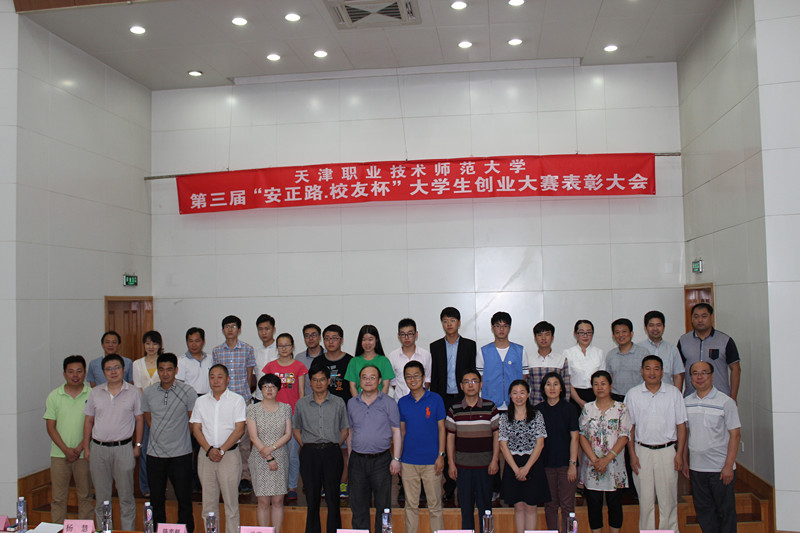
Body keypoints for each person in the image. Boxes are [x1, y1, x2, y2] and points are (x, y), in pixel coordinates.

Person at [624, 355, 687, 532]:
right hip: (642, 451)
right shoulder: (633, 394)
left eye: (656, 368)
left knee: (668, 500)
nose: (652, 372)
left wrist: (679, 454)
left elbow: (681, 426)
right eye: (648, 368)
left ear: (662, 372)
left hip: (667, 451)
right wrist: (632, 455)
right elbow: (629, 428)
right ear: (642, 371)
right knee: (645, 501)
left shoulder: (674, 393)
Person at [82, 354, 144, 530]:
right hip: (99, 449)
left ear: (123, 369)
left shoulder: (133, 392)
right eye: (108, 369)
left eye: (117, 368)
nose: (113, 372)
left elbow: (139, 419)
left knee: (126, 497)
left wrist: (137, 445)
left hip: (123, 448)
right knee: (102, 499)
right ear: (103, 372)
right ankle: (104, 530)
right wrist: (86, 447)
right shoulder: (95, 392)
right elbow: (88, 421)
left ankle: (127, 531)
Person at [682, 361, 741, 533]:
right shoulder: (686, 402)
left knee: (725, 514)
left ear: (712, 376)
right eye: (695, 373)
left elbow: (735, 435)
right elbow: (685, 434)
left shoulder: (726, 402)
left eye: (704, 373)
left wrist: (728, 466)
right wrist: (685, 461)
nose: (699, 377)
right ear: (690, 377)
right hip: (697, 468)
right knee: (705, 514)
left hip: (720, 469)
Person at [142, 353, 197, 533]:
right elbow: (149, 420)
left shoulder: (188, 392)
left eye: (169, 369)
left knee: (184, 499)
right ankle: (158, 530)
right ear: (158, 371)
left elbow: (192, 422)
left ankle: (186, 530)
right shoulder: (148, 392)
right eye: (161, 369)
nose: (165, 373)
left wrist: (178, 437)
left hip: (181, 454)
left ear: (176, 370)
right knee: (156, 499)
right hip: (155, 454)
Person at [190, 364, 247, 533]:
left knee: (231, 504)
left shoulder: (237, 400)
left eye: (220, 377)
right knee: (208, 504)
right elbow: (196, 429)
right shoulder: (200, 401)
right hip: (206, 455)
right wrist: (209, 450)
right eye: (212, 377)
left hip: (229, 455)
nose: (215, 381)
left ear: (228, 379)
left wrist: (221, 450)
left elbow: (239, 429)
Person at [294, 366, 350, 533]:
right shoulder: (302, 403)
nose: (318, 383)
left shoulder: (338, 402)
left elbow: (344, 430)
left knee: (333, 498)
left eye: (322, 380)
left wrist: (334, 445)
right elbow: (296, 429)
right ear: (310, 382)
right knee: (312, 498)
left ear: (328, 381)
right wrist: (306, 445)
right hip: (309, 453)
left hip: (332, 452)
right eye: (315, 380)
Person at [429, 306, 476, 501]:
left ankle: (464, 483)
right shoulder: (435, 346)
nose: (449, 324)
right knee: (445, 438)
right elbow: (435, 376)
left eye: (452, 320)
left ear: (459, 323)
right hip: (442, 398)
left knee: (463, 441)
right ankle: (449, 485)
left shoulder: (469, 345)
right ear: (442, 323)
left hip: (462, 398)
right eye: (445, 321)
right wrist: (434, 401)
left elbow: (472, 374)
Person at [347, 365, 402, 532]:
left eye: (372, 377)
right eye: (364, 377)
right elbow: (350, 432)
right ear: (359, 381)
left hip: (381, 460)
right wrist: (350, 457)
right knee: (358, 505)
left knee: (383, 506)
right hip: (357, 460)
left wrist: (396, 459)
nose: (368, 381)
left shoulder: (389, 402)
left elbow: (396, 432)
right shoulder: (352, 403)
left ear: (379, 381)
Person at [445, 369, 499, 533]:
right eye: (467, 382)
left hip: (485, 467)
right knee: (465, 508)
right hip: (463, 468)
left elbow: (497, 436)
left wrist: (495, 460)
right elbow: (450, 438)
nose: (471, 385)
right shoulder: (454, 409)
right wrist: (451, 464)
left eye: (474, 381)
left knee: (486, 509)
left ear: (480, 384)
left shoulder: (490, 407)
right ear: (461, 386)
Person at [579, 370, 631, 533]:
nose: (599, 387)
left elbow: (624, 436)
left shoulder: (621, 408)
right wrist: (595, 461)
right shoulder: (588, 408)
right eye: (595, 384)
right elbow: (582, 435)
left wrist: (606, 459)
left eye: (603, 383)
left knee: (615, 505)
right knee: (593, 505)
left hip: (614, 466)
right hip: (592, 465)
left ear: (610, 386)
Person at [44, 355, 93, 524]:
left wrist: (80, 448)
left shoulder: (92, 394)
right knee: (58, 498)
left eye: (79, 371)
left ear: (85, 373)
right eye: (71, 372)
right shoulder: (54, 396)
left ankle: (84, 529)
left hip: (85, 454)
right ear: (64, 374)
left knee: (85, 496)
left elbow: (94, 425)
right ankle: (57, 529)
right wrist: (66, 450)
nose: (75, 375)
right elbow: (50, 427)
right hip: (59, 455)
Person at [398, 361, 446, 533]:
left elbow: (442, 429)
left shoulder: (436, 399)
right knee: (411, 505)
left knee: (435, 505)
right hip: (409, 461)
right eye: (408, 377)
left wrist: (441, 455)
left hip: (432, 461)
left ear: (424, 377)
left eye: (416, 376)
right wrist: (399, 459)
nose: (412, 380)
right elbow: (402, 432)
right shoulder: (402, 402)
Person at [212, 315, 256, 494]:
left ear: (239, 329)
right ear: (223, 330)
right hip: (223, 401)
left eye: (233, 326)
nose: (230, 330)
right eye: (227, 327)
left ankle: (245, 477)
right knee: (224, 438)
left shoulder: (247, 349)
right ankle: (225, 476)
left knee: (244, 442)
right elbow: (216, 375)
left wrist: (244, 397)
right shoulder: (217, 351)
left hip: (242, 400)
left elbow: (249, 375)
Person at [498, 380, 549, 533]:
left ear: (528, 394)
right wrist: (516, 470)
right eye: (515, 393)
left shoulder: (537, 415)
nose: (518, 396)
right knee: (518, 506)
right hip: (512, 463)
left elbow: (540, 444)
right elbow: (503, 445)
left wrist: (526, 468)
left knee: (531, 506)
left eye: (522, 393)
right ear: (510, 395)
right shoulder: (505, 417)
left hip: (532, 463)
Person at [308, 324, 352, 497]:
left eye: (334, 338)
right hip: (322, 412)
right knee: (325, 451)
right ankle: (327, 485)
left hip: (344, 411)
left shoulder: (350, 361)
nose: (330, 342)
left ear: (341, 340)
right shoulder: (318, 361)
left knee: (344, 450)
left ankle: (343, 484)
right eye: (327, 338)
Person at [263, 333, 307, 500]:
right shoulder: (270, 366)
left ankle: (292, 486)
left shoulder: (299, 366)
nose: (284, 349)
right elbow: (266, 392)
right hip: (273, 415)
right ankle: (277, 484)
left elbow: (301, 392)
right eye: (280, 346)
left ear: (292, 346)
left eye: (287, 345)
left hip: (293, 414)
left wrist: (300, 416)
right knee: (275, 452)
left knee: (292, 453)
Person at [247, 374, 293, 532]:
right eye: (265, 386)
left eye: (273, 386)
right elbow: (253, 437)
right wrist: (268, 456)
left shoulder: (286, 408)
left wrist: (271, 448)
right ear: (260, 389)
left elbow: (288, 434)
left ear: (278, 389)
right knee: (263, 502)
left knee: (278, 501)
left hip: (280, 456)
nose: (269, 390)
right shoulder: (252, 409)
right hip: (260, 458)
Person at [534, 371, 579, 533]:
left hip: (567, 465)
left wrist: (573, 464)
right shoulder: (537, 410)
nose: (552, 388)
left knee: (568, 505)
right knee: (550, 504)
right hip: (546, 465)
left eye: (555, 384)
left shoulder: (570, 408)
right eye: (548, 384)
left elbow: (575, 437)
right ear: (543, 388)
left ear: (561, 388)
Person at [678, 303, 741, 401]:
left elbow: (735, 369)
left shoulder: (725, 340)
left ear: (711, 317)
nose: (700, 320)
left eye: (704, 316)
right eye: (696, 316)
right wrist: (677, 397)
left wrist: (733, 397)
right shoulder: (683, 341)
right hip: (691, 398)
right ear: (692, 319)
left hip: (720, 398)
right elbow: (679, 371)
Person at [176, 326, 212, 492]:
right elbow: (179, 387)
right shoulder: (181, 361)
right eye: (190, 341)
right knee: (187, 444)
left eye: (197, 341)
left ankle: (200, 480)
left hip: (207, 402)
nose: (194, 344)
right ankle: (188, 481)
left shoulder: (211, 359)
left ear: (203, 341)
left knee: (202, 443)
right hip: (188, 404)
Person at [476, 311, 528, 412]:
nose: (501, 329)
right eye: (498, 326)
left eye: (505, 326)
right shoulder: (483, 352)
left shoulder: (520, 351)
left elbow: (524, 378)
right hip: (490, 404)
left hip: (515, 405)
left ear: (509, 328)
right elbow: (480, 380)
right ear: (492, 327)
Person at [133, 330, 164, 497]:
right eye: (147, 343)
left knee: (162, 450)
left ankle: (161, 485)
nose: (151, 347)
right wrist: (147, 407)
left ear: (159, 345)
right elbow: (138, 388)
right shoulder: (137, 364)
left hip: (162, 412)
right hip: (144, 412)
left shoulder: (164, 362)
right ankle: (146, 487)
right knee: (145, 449)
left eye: (154, 343)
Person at [637, 311, 685, 390]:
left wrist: (677, 394)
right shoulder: (638, 348)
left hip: (667, 394)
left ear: (663, 327)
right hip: (643, 394)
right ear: (645, 328)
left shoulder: (672, 349)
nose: (655, 328)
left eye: (658, 325)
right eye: (651, 325)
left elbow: (677, 375)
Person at [604, 318, 650, 401]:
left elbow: (648, 376)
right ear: (613, 336)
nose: (621, 335)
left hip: (638, 397)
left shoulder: (643, 353)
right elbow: (608, 378)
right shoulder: (610, 355)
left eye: (624, 331)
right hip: (616, 398)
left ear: (631, 334)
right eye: (617, 332)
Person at [564, 320, 606, 410]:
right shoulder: (568, 353)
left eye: (589, 332)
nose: (585, 336)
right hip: (575, 395)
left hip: (596, 395)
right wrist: (579, 401)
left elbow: (603, 378)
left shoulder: (599, 353)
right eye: (581, 332)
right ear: (575, 334)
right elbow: (566, 380)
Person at [527, 321, 571, 405]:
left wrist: (564, 406)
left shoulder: (561, 359)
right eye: (539, 335)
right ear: (535, 338)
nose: (543, 338)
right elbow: (526, 386)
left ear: (552, 337)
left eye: (547, 334)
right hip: (535, 405)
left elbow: (566, 387)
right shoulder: (528, 360)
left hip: (556, 406)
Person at [388, 318, 432, 401]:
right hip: (400, 400)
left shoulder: (425, 355)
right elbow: (392, 381)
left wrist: (420, 394)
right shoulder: (393, 356)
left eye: (410, 334)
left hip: (421, 400)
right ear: (398, 336)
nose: (406, 337)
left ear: (416, 334)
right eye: (403, 334)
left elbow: (428, 378)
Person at [345, 325, 394, 396]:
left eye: (370, 339)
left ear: (376, 340)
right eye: (364, 340)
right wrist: (357, 402)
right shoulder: (354, 361)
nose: (367, 343)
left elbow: (385, 386)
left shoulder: (384, 361)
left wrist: (380, 401)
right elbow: (352, 387)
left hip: (380, 402)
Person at [253, 314, 278, 402]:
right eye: (260, 329)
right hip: (259, 397)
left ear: (273, 329)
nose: (263, 333)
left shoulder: (280, 350)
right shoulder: (255, 352)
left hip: (277, 398)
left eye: (267, 329)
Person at [300, 323, 325, 396]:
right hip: (307, 400)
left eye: (313, 335)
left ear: (320, 337)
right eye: (307, 336)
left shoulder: (328, 355)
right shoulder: (299, 358)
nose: (310, 338)